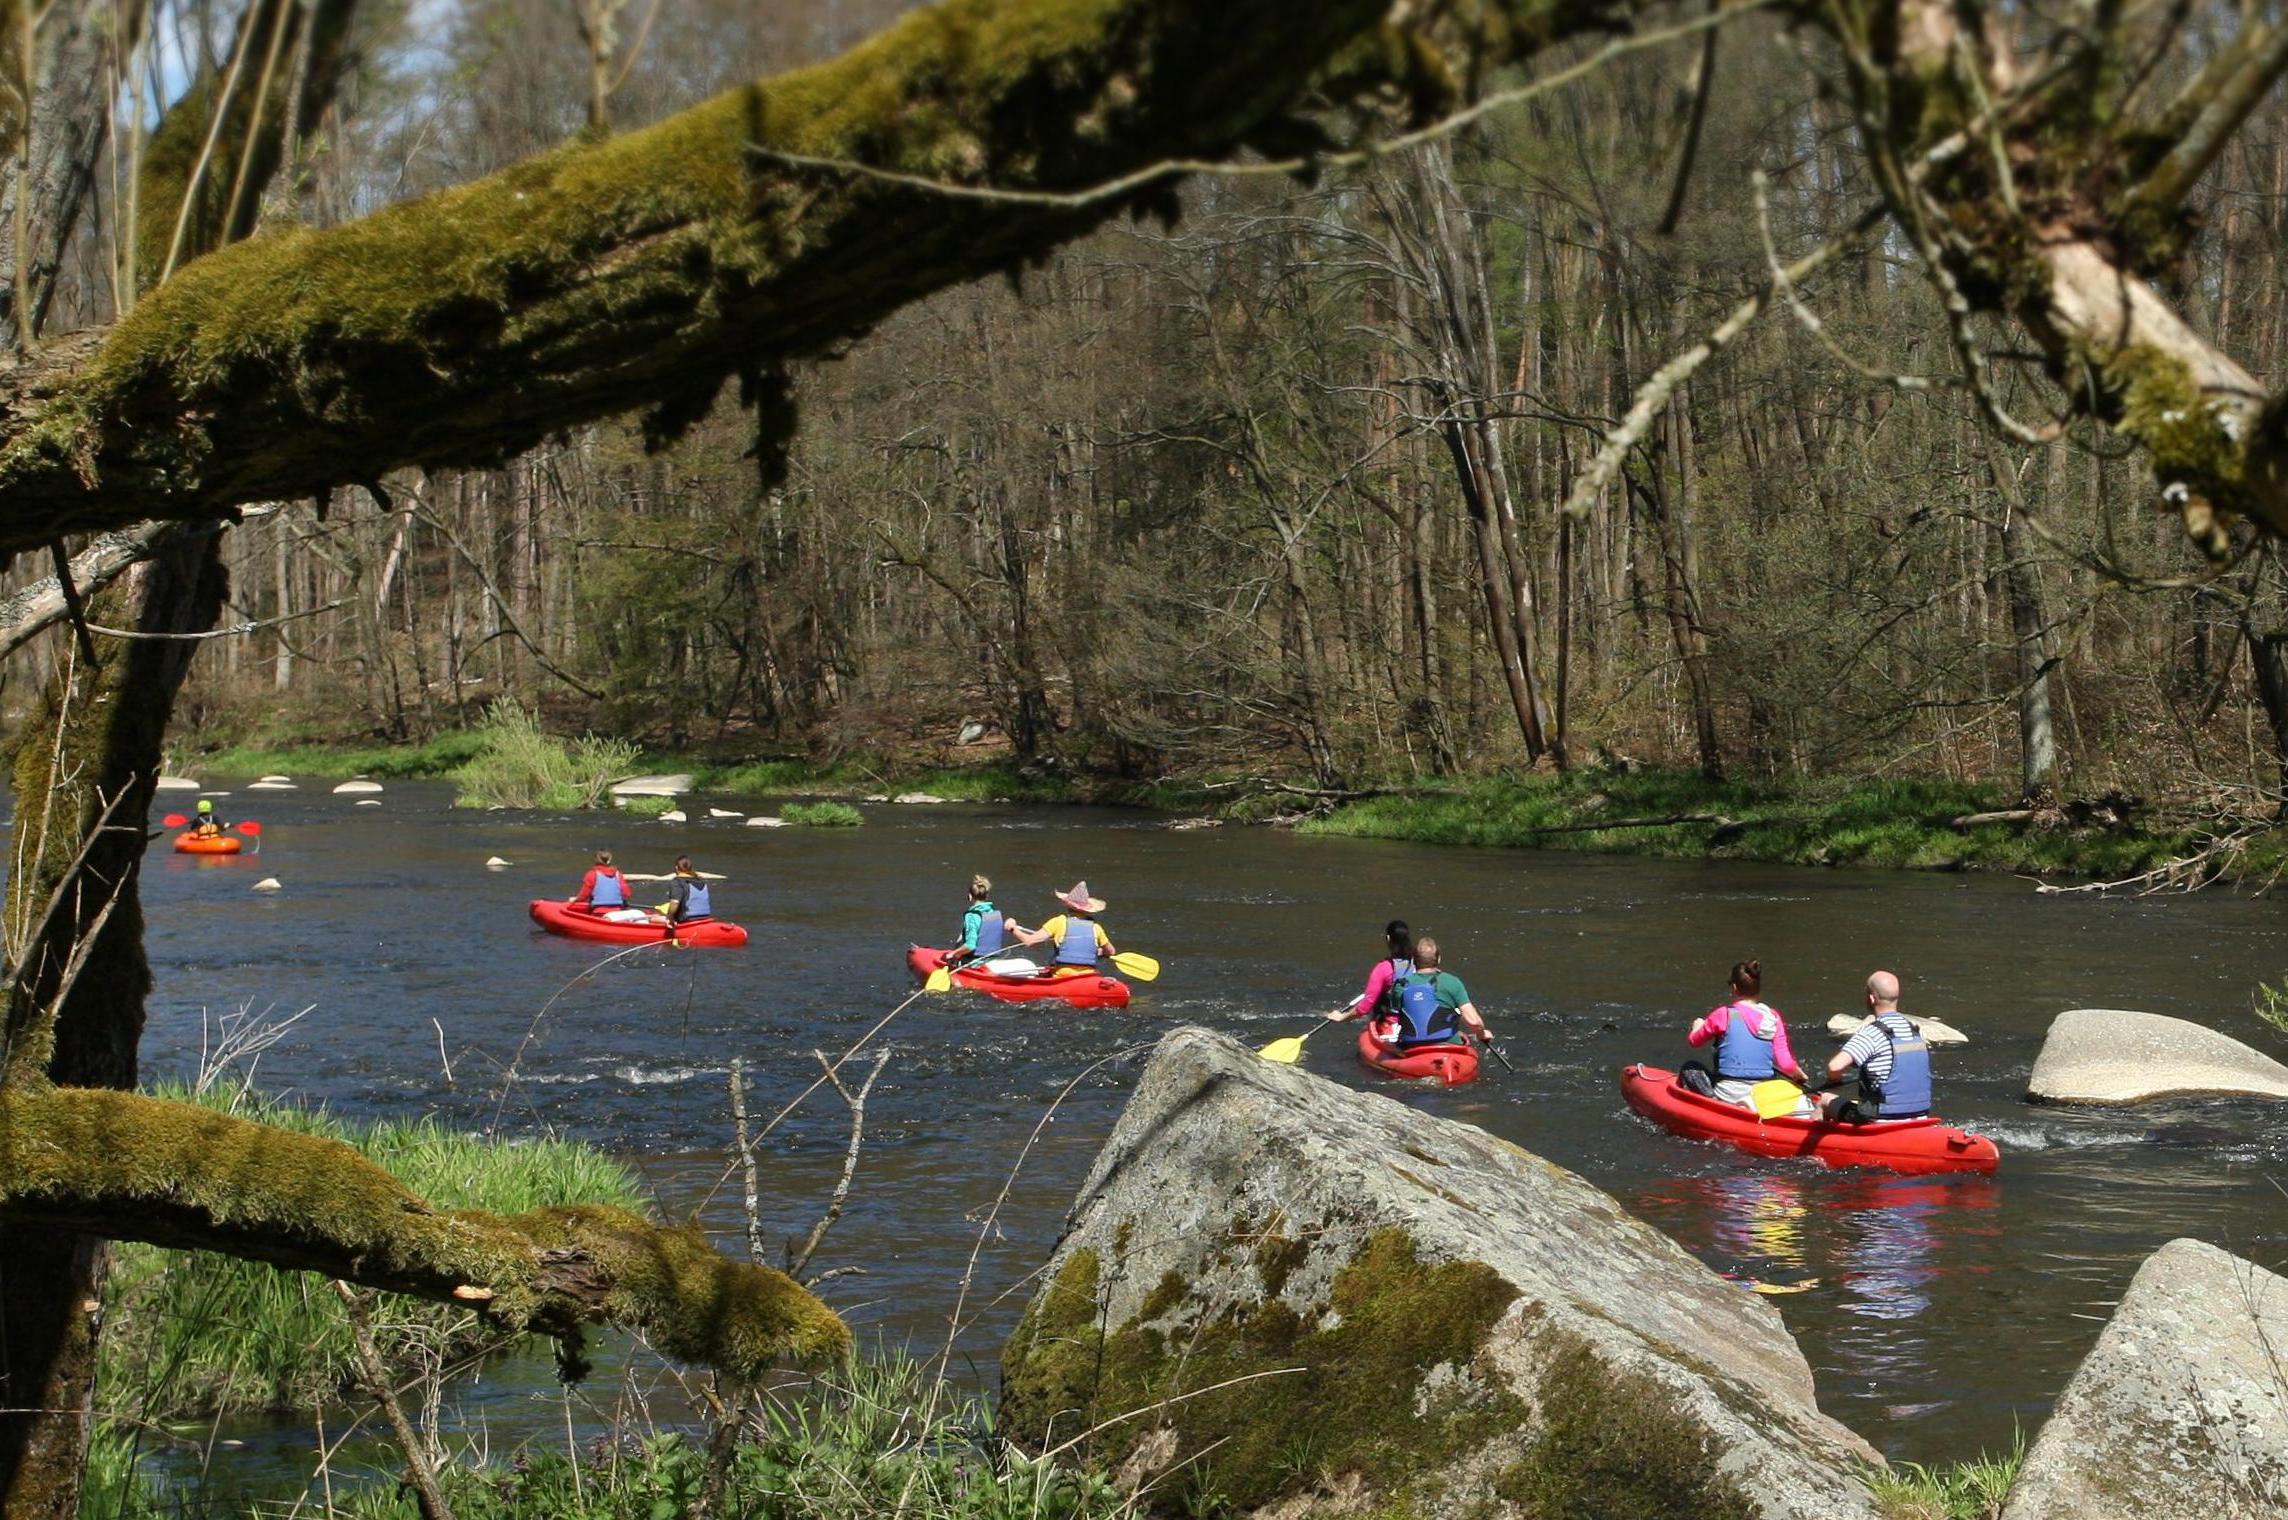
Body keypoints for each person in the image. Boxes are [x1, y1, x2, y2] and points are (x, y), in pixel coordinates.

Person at [1684, 959, 1813, 1112]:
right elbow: (1785, 1064)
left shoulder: (1724, 1014)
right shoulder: (1773, 1017)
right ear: (1758, 989)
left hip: (1729, 1092)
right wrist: (1798, 1074)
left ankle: (1714, 1103)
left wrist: (1697, 1026)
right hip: (1762, 1093)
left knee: (1689, 1068)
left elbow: (1694, 1041)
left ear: (1734, 987)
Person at [1817, 971, 1933, 1123]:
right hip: (1919, 1116)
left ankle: (1823, 1142)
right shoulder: (1915, 1031)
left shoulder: (1872, 1033)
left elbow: (1834, 1066)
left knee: (1824, 1099)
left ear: (1871, 998)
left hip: (1880, 1120)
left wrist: (1834, 1080)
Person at [1375, 936, 1491, 1049]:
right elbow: (1474, 1022)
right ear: (1439, 959)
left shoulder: (1400, 984)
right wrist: (1482, 1034)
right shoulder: (1452, 982)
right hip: (1447, 1043)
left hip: (1410, 1046)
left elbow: (1397, 1013)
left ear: (1414, 960)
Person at [1011, 881, 1115, 975]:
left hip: (1063, 974)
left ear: (1067, 904)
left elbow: (1029, 941)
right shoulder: (1096, 928)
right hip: (1088, 974)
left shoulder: (1058, 922)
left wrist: (1013, 929)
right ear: (1087, 909)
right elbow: (1110, 952)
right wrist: (1097, 951)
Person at [1325, 920, 1413, 1029]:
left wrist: (1342, 1016)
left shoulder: (1383, 969)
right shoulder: (1420, 963)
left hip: (1391, 1025)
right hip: (1415, 1021)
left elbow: (1364, 1008)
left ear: (1388, 939)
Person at [945, 875, 1009, 967]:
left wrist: (953, 953)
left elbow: (970, 945)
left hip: (975, 963)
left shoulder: (972, 916)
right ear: (986, 896)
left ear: (970, 896)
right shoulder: (992, 912)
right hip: (993, 960)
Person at [664, 855, 713, 925]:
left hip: (686, 919)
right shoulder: (701, 880)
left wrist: (669, 918)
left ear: (676, 868)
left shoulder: (677, 882)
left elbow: (675, 902)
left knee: (653, 918)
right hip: (704, 917)